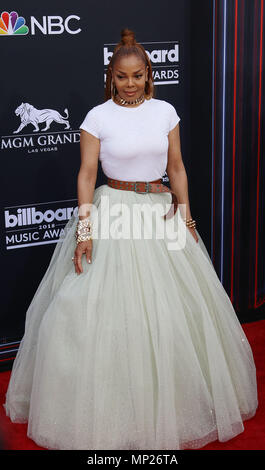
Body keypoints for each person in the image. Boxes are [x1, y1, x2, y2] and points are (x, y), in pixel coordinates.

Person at [3, 28, 258, 451]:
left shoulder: (166, 112)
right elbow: (87, 175)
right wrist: (85, 230)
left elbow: (176, 168)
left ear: (148, 75)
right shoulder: (96, 117)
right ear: (111, 77)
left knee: (176, 313)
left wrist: (188, 216)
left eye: (137, 75)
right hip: (113, 213)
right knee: (96, 313)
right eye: (122, 76)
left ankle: (172, 409)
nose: (130, 83)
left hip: (161, 213)